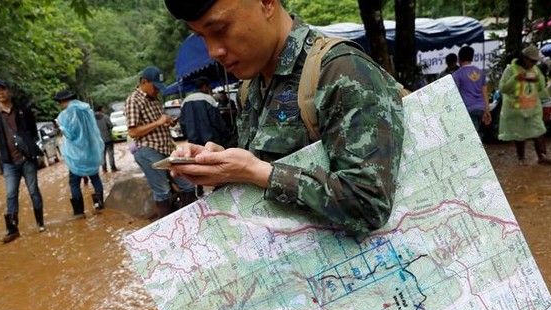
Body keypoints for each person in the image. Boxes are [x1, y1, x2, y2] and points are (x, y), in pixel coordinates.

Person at [164, 0, 405, 237]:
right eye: (201, 37)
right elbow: (256, 174)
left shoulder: (340, 71)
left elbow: (369, 205)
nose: (213, 51)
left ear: (267, 3)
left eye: (220, 30)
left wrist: (255, 171)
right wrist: (221, 167)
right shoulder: (250, 87)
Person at [124, 66, 197, 218]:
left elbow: (157, 121)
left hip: (165, 148)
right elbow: (133, 131)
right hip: (148, 150)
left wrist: (167, 122)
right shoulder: (134, 100)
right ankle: (167, 227)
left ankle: (190, 219)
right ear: (144, 82)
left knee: (188, 183)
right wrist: (158, 122)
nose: (157, 91)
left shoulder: (154, 100)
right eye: (155, 87)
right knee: (162, 190)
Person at [0, 79, 45, 243]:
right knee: (11, 194)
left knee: (33, 190)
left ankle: (40, 223)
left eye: (3, 89)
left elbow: (32, 131)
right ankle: (12, 229)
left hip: (27, 159)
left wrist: (26, 145)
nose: (0, 93)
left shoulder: (23, 110)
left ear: (9, 91)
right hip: (8, 161)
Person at [498, 45, 551, 166]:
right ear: (524, 58)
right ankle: (521, 158)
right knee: (519, 134)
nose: (533, 63)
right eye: (531, 61)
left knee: (539, 130)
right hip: (516, 108)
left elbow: (541, 86)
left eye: (535, 61)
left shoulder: (535, 69)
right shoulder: (510, 69)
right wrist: (516, 78)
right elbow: (503, 88)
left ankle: (542, 156)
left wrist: (537, 79)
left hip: (533, 107)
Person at [54, 90, 105, 219]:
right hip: (91, 152)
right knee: (95, 177)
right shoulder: (87, 110)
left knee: (74, 183)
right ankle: (99, 205)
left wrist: (60, 127)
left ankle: (79, 212)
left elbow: (70, 134)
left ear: (62, 102)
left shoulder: (65, 115)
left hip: (76, 155)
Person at [180, 76, 233, 148]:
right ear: (205, 86)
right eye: (209, 87)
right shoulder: (209, 99)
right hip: (211, 142)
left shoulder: (185, 101)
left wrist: (188, 135)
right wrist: (226, 133)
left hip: (193, 142)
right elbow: (217, 121)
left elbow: (182, 123)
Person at [451, 46, 491, 139]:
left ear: (459, 59)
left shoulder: (457, 74)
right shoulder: (481, 73)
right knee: (475, 131)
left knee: (471, 136)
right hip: (481, 109)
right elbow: (485, 92)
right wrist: (487, 110)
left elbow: (454, 94)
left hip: (467, 109)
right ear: (472, 58)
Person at [95, 105, 118, 172]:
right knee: (110, 153)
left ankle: (104, 169)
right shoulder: (105, 116)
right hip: (108, 138)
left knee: (102, 154)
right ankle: (113, 168)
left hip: (98, 140)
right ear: (101, 109)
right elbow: (110, 126)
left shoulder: (92, 118)